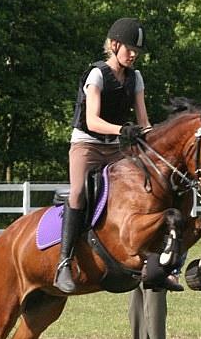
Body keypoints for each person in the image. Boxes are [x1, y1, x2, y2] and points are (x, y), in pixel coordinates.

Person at [55, 17, 151, 293]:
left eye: (137, 51)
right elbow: (93, 120)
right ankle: (64, 262)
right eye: (129, 49)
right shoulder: (97, 75)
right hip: (88, 144)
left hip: (117, 148)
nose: (133, 54)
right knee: (78, 194)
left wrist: (155, 138)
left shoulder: (136, 78)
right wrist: (124, 129)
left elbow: (144, 121)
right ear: (114, 45)